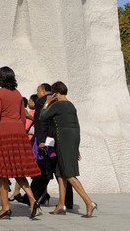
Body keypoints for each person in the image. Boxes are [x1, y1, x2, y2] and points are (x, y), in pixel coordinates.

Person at [0, 67, 41, 219]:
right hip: (19, 134)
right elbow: (23, 117)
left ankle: (5, 208)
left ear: (1, 79)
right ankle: (32, 199)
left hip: (4, 135)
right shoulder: (18, 94)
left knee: (2, 173)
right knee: (19, 170)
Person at [40, 81, 98, 217]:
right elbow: (77, 127)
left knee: (69, 174)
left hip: (63, 140)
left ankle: (89, 202)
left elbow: (43, 116)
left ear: (55, 93)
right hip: (71, 140)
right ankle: (61, 205)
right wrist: (76, 147)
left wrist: (47, 102)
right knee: (60, 173)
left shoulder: (58, 105)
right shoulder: (71, 106)